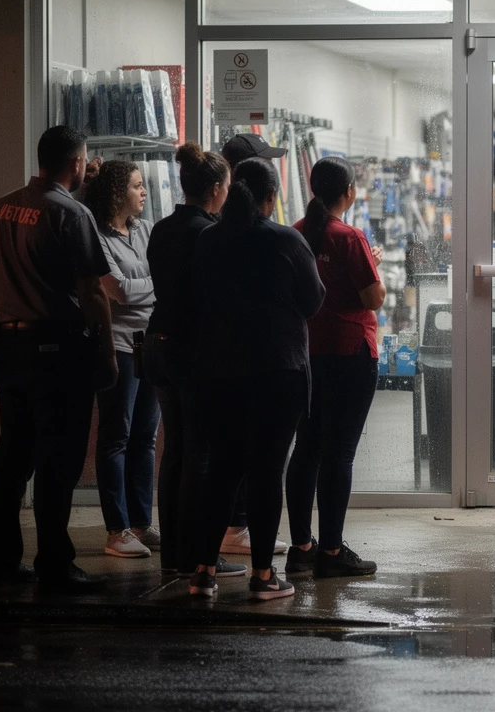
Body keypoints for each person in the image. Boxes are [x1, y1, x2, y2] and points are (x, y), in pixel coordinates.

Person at [0, 125, 117, 594]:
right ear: (76, 163)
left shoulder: (1, 208)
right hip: (55, 351)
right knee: (58, 460)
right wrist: (105, 350)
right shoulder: (70, 214)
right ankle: (55, 564)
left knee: (12, 456)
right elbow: (93, 291)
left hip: (6, 346)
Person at [188, 158, 325, 600]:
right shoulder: (287, 240)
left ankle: (203, 573)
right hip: (277, 372)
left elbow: (199, 298)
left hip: (218, 372)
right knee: (266, 472)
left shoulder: (209, 240)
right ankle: (264, 576)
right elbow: (312, 301)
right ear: (271, 196)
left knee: (223, 470)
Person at [143, 142, 245, 580]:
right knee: (201, 454)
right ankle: (197, 555)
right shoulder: (212, 234)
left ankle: (173, 554)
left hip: (158, 343)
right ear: (219, 189)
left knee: (175, 451)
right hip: (194, 350)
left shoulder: (162, 229)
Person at [285, 157, 385, 579]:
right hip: (350, 353)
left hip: (305, 354)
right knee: (339, 453)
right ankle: (331, 551)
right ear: (348, 192)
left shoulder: (293, 234)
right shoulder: (350, 237)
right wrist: (373, 266)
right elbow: (372, 298)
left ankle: (301, 547)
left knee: (305, 448)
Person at [84, 161, 160, 558]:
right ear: (117, 194)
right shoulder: (97, 238)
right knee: (116, 436)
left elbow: (137, 288)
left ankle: (140, 524)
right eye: (136, 186)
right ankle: (116, 529)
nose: (144, 191)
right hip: (118, 345)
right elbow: (119, 291)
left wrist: (146, 286)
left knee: (145, 438)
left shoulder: (146, 231)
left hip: (150, 345)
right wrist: (156, 284)